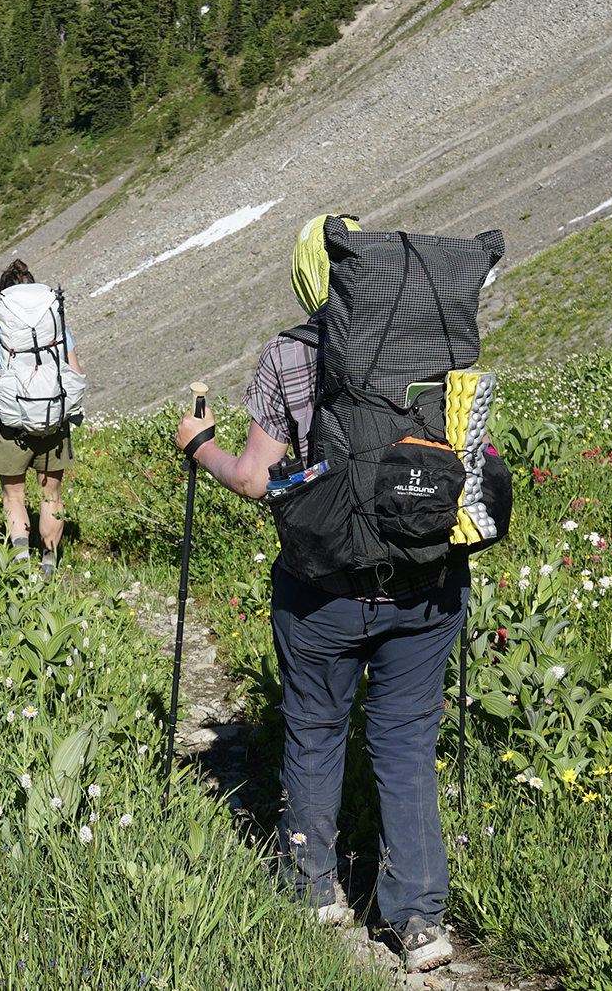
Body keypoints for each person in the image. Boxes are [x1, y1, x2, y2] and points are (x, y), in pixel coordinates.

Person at [171, 215, 463, 974]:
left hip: (323, 586)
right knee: (403, 745)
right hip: (425, 584)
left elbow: (253, 480)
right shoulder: (436, 350)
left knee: (314, 726)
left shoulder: (291, 355)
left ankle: (315, 889)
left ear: (310, 277)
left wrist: (198, 445)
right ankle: (420, 921)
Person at [0, 259, 82, 575]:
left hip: (12, 426)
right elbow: (75, 375)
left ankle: (20, 562)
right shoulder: (57, 329)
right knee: (50, 494)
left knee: (14, 495)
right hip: (53, 423)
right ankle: (49, 563)